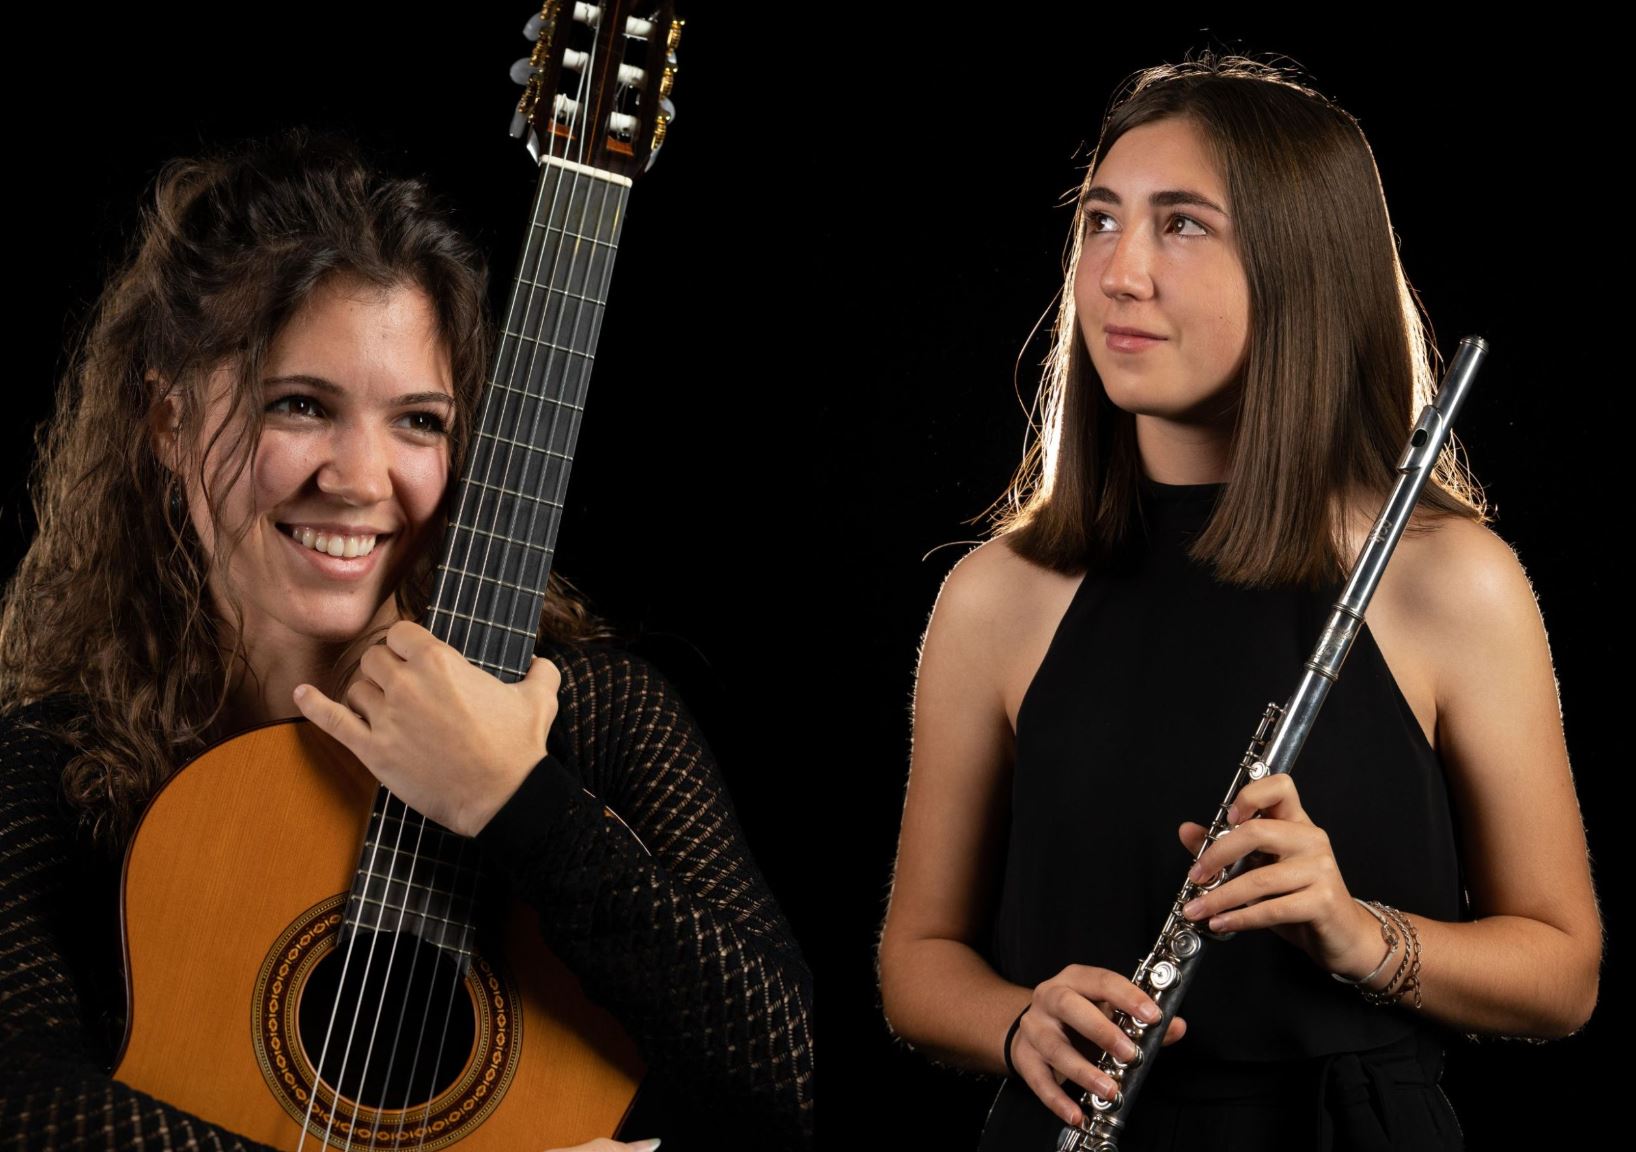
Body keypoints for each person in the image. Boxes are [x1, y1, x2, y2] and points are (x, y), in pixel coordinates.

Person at [0, 131, 813, 1150]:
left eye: (419, 422)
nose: (361, 478)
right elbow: (21, 1099)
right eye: (301, 406)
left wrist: (516, 802)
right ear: (167, 420)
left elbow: (788, 1077)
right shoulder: (59, 771)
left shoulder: (595, 718)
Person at [876, 56, 1599, 1150]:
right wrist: (1017, 1021)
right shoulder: (996, 595)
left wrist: (1360, 936)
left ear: (1302, 272)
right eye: (1102, 221)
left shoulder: (1451, 580)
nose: (1119, 274)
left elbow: (1562, 973)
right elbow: (917, 961)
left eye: (1182, 226)